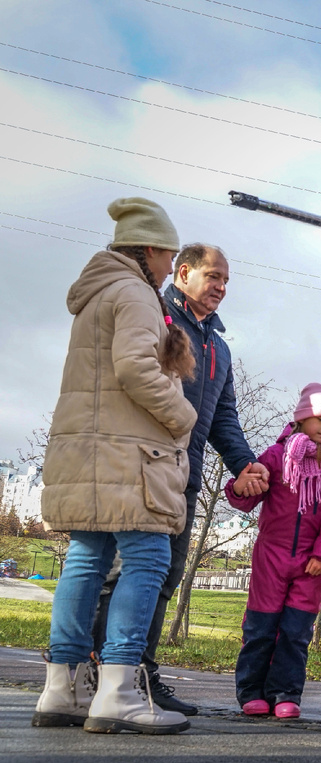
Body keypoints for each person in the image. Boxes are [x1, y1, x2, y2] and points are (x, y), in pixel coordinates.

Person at [35, 197, 196, 734]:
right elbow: (134, 367)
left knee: (86, 556)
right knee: (147, 557)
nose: (171, 266)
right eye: (169, 255)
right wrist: (182, 416)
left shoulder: (97, 293)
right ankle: (119, 691)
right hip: (132, 454)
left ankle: (61, 689)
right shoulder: (135, 292)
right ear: (149, 249)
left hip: (91, 447)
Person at [93, 242, 269, 716]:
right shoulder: (154, 315)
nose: (221, 288)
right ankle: (105, 672)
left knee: (165, 577)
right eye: (214, 277)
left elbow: (222, 417)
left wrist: (245, 465)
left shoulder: (219, 346)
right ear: (184, 272)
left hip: (183, 477)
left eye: (227, 281)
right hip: (140, 467)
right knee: (125, 573)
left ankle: (141, 674)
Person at [226, 383, 321, 718]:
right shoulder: (275, 456)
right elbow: (248, 495)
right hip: (271, 557)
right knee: (260, 628)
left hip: (311, 563)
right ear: (302, 419)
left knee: (296, 632)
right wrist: (237, 486)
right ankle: (252, 692)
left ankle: (285, 693)